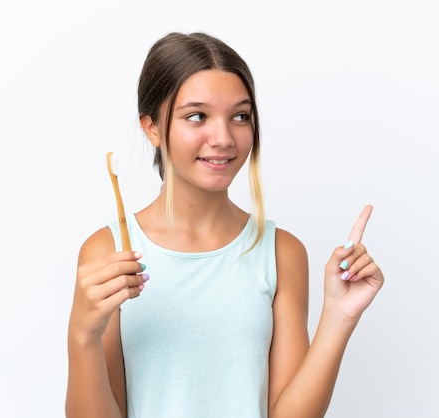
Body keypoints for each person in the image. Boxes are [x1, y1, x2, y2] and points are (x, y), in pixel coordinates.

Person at [65, 32, 384, 418]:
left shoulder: (282, 253)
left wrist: (338, 318)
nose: (224, 138)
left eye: (240, 116)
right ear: (151, 128)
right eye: (197, 116)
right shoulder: (108, 253)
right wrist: (82, 336)